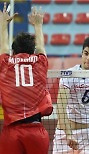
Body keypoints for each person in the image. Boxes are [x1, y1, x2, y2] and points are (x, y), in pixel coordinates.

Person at [0, 3, 53, 154]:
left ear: (13, 51)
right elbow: (41, 47)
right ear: (33, 51)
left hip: (11, 132)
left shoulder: (5, 63)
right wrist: (38, 25)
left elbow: (3, 46)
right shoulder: (40, 62)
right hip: (35, 132)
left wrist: (3, 24)